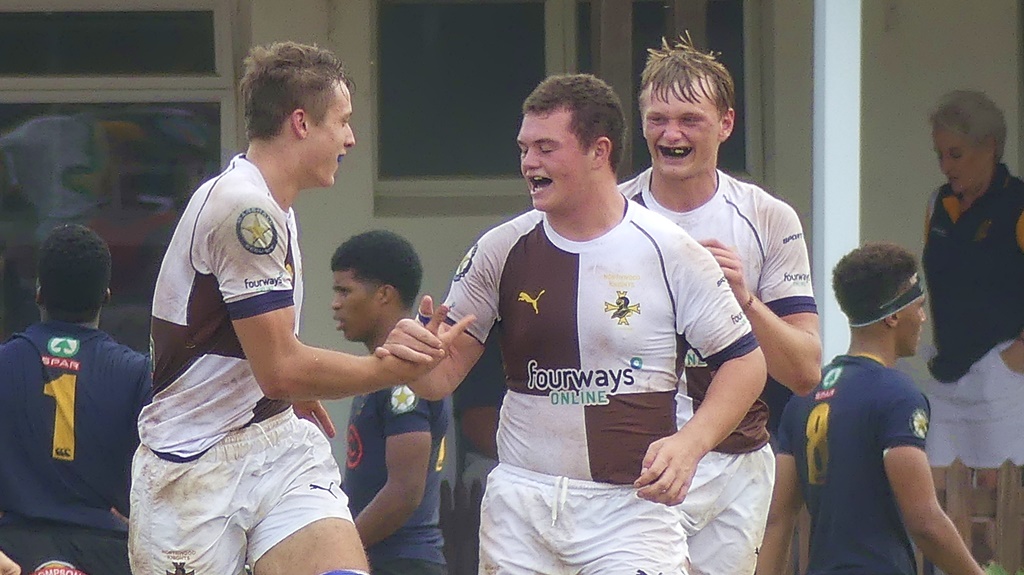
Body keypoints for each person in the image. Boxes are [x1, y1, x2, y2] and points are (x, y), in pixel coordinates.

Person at [129, 41, 468, 575]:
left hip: (274, 441)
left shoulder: (273, 205)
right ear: (301, 122)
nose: (351, 139)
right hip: (193, 467)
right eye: (343, 121)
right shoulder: (248, 209)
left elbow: (268, 367)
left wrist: (289, 389)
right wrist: (386, 369)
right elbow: (281, 369)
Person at [407, 73, 767, 574]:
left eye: (546, 148)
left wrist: (692, 443)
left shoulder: (670, 250)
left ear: (599, 151)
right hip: (522, 506)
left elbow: (746, 363)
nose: (529, 163)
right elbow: (438, 379)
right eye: (524, 149)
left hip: (631, 511)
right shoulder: (499, 248)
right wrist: (414, 355)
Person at [618, 36, 821, 574]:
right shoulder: (611, 216)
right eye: (657, 119)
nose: (671, 134)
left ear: (726, 124)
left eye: (690, 119)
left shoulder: (768, 217)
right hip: (645, 461)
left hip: (737, 462)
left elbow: (805, 370)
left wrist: (744, 300)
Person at [757, 242, 985, 575]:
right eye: (918, 306)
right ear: (893, 315)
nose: (922, 317)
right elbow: (924, 521)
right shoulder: (897, 395)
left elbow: (778, 521)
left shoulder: (803, 398)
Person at [0, 224, 151, 575]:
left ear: (39, 293)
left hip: (13, 552)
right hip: (108, 555)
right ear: (106, 296)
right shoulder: (137, 374)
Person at [331, 230, 450, 575]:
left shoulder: (406, 376)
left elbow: (404, 491)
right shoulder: (384, 369)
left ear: (383, 295)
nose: (335, 303)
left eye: (344, 290)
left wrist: (338, 549)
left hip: (403, 563)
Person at [920, 90, 1024, 469]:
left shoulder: (1017, 206)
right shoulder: (938, 205)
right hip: (947, 377)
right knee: (943, 500)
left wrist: (1007, 365)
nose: (946, 166)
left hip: (1004, 384)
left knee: (1001, 505)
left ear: (990, 147)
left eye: (956, 154)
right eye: (940, 155)